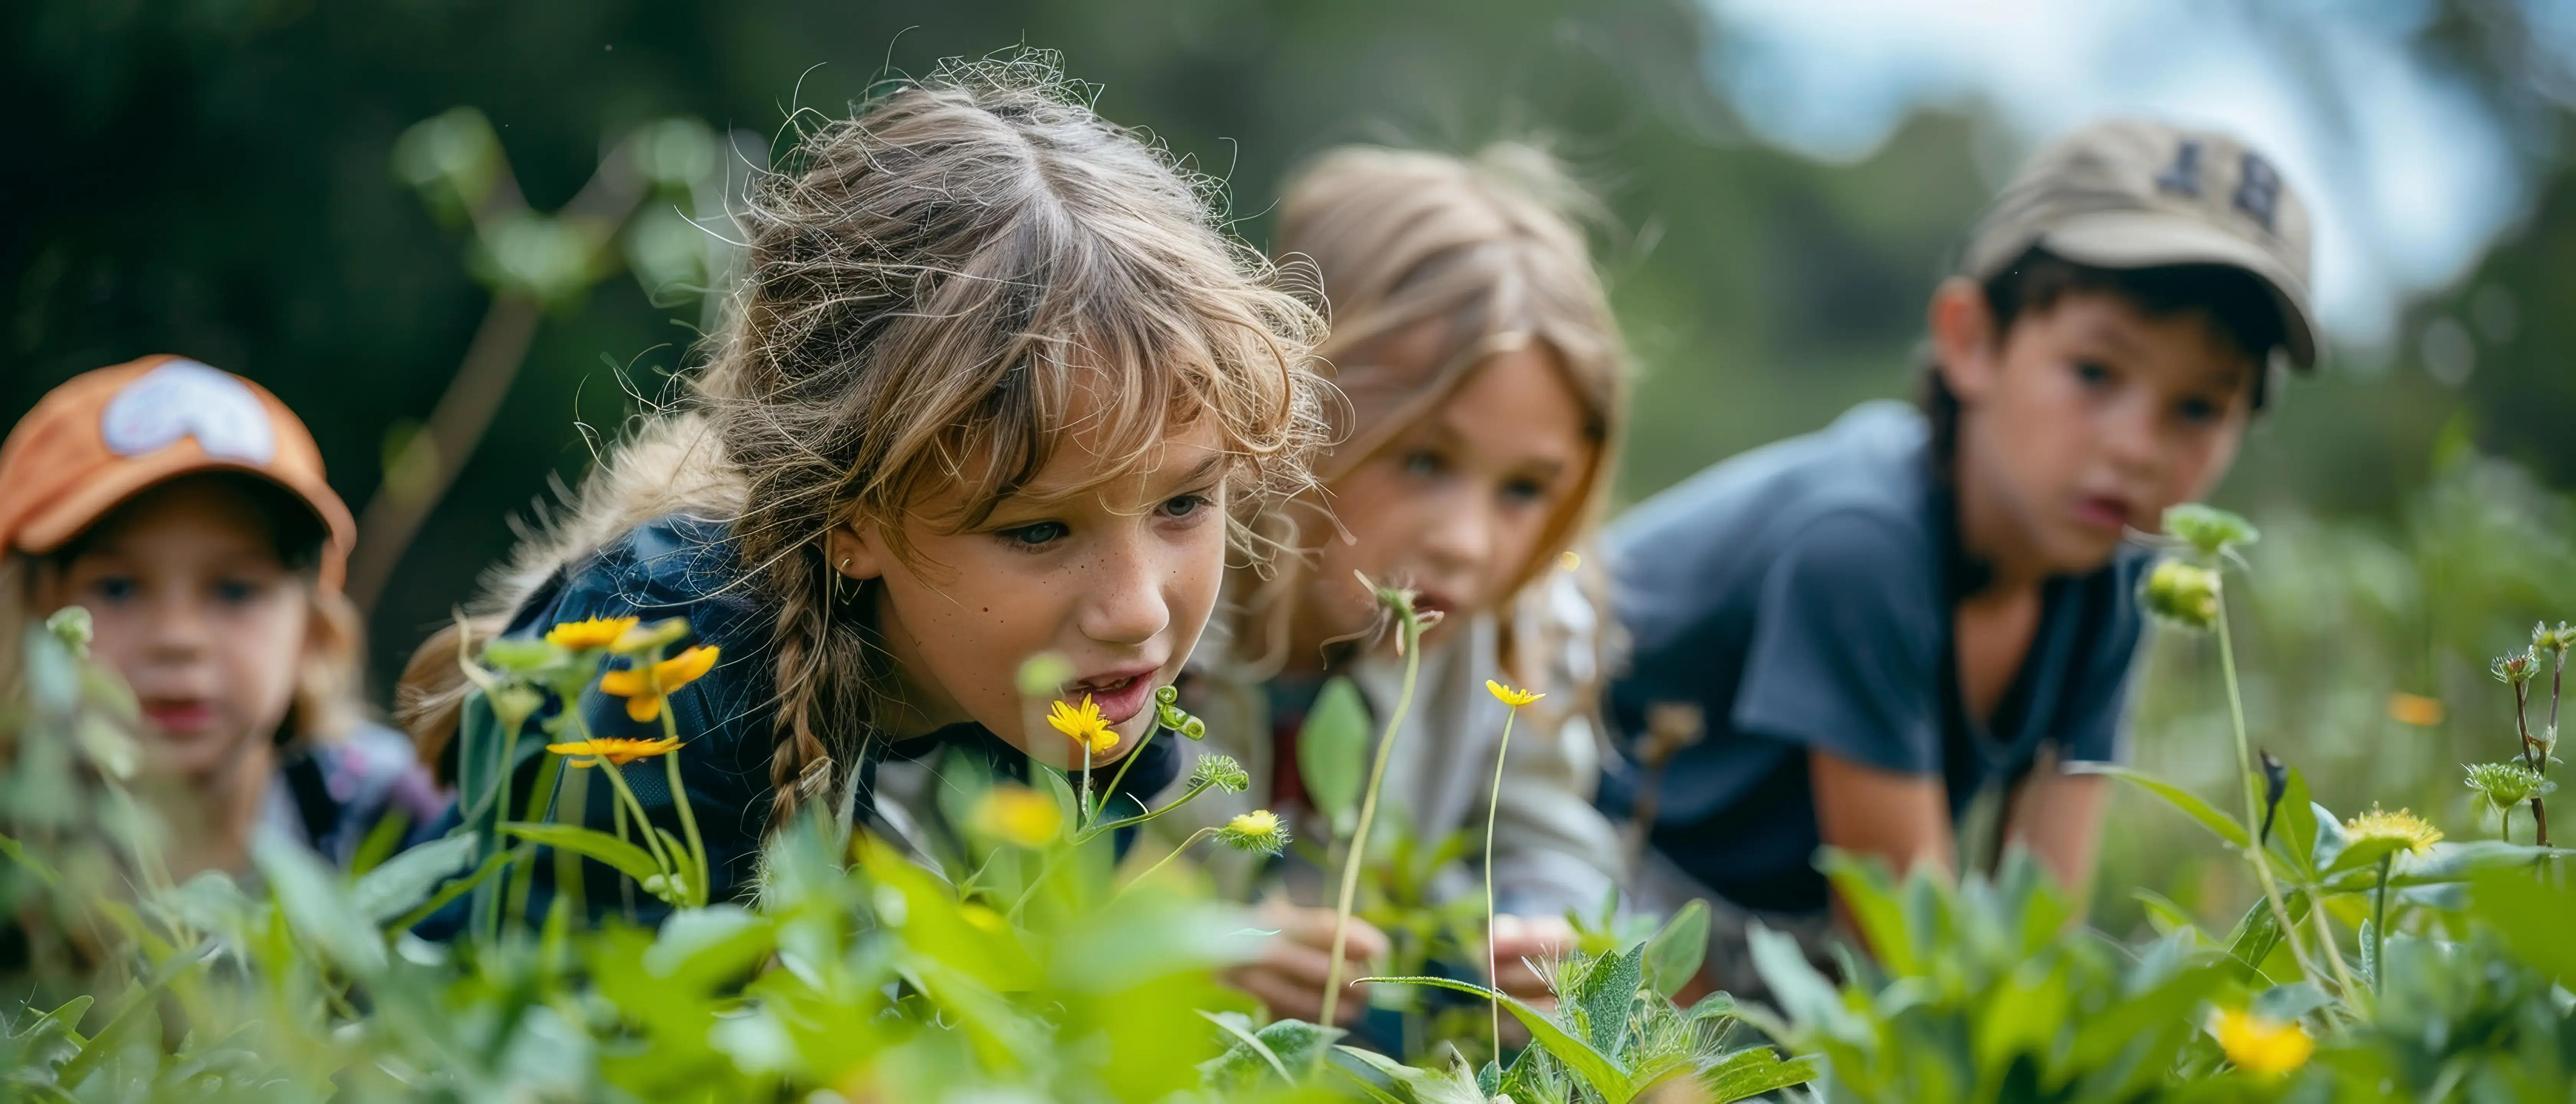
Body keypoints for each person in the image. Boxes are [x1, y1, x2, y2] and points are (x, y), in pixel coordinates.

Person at [394, 54, 1327, 927]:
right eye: (1040, 531)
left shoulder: (1089, 696)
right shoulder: (671, 682)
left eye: (1182, 505)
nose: (1135, 610)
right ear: (851, 519)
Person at [1599, 119, 2321, 993]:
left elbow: (2035, 935)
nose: (2140, 447)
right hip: (1558, 867)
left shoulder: (2118, 576)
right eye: (2096, 373)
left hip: (1767, 933)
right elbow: (1917, 962)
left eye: (2200, 408)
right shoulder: (1861, 543)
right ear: (1971, 340)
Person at [1142, 144, 1630, 1027]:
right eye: (1424, 460)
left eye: (1525, 489)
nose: (1469, 542)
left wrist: (1551, 918)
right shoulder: (1152, 598)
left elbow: (1541, 825)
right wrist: (1189, 953)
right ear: (1291, 404)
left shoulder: (1524, 622)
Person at [0, 355, 442, 878]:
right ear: (25, 616)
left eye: (235, 591)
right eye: (117, 588)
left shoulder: (394, 821)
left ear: (313, 634)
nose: (177, 638)